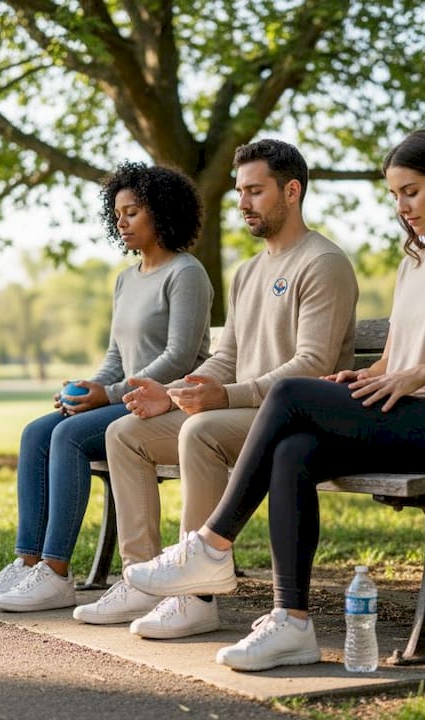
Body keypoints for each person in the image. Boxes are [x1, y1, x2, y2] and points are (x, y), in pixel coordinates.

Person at [122, 129, 425, 671]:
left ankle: (211, 545)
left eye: (411, 192)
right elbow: (394, 359)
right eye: (394, 195)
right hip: (405, 416)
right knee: (295, 450)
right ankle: (291, 622)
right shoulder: (416, 261)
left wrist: (420, 374)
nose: (402, 207)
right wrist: (360, 377)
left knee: (293, 391)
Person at [71, 139, 359, 640]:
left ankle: (195, 597)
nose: (243, 202)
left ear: (291, 191)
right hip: (244, 410)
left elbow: (311, 365)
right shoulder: (248, 273)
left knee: (200, 431)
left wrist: (222, 396)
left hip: (296, 418)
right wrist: (176, 391)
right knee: (125, 433)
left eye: (255, 191)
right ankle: (143, 581)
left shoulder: (323, 262)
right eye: (239, 191)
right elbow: (226, 357)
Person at [0, 162, 214, 612]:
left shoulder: (187, 273)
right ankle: (28, 562)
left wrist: (110, 394)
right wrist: (86, 387)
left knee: (68, 436)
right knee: (37, 431)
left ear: (162, 212)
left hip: (165, 402)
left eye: (133, 211)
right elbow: (116, 358)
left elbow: (179, 357)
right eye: (117, 213)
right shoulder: (125, 279)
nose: (122, 221)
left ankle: (56, 573)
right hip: (126, 398)